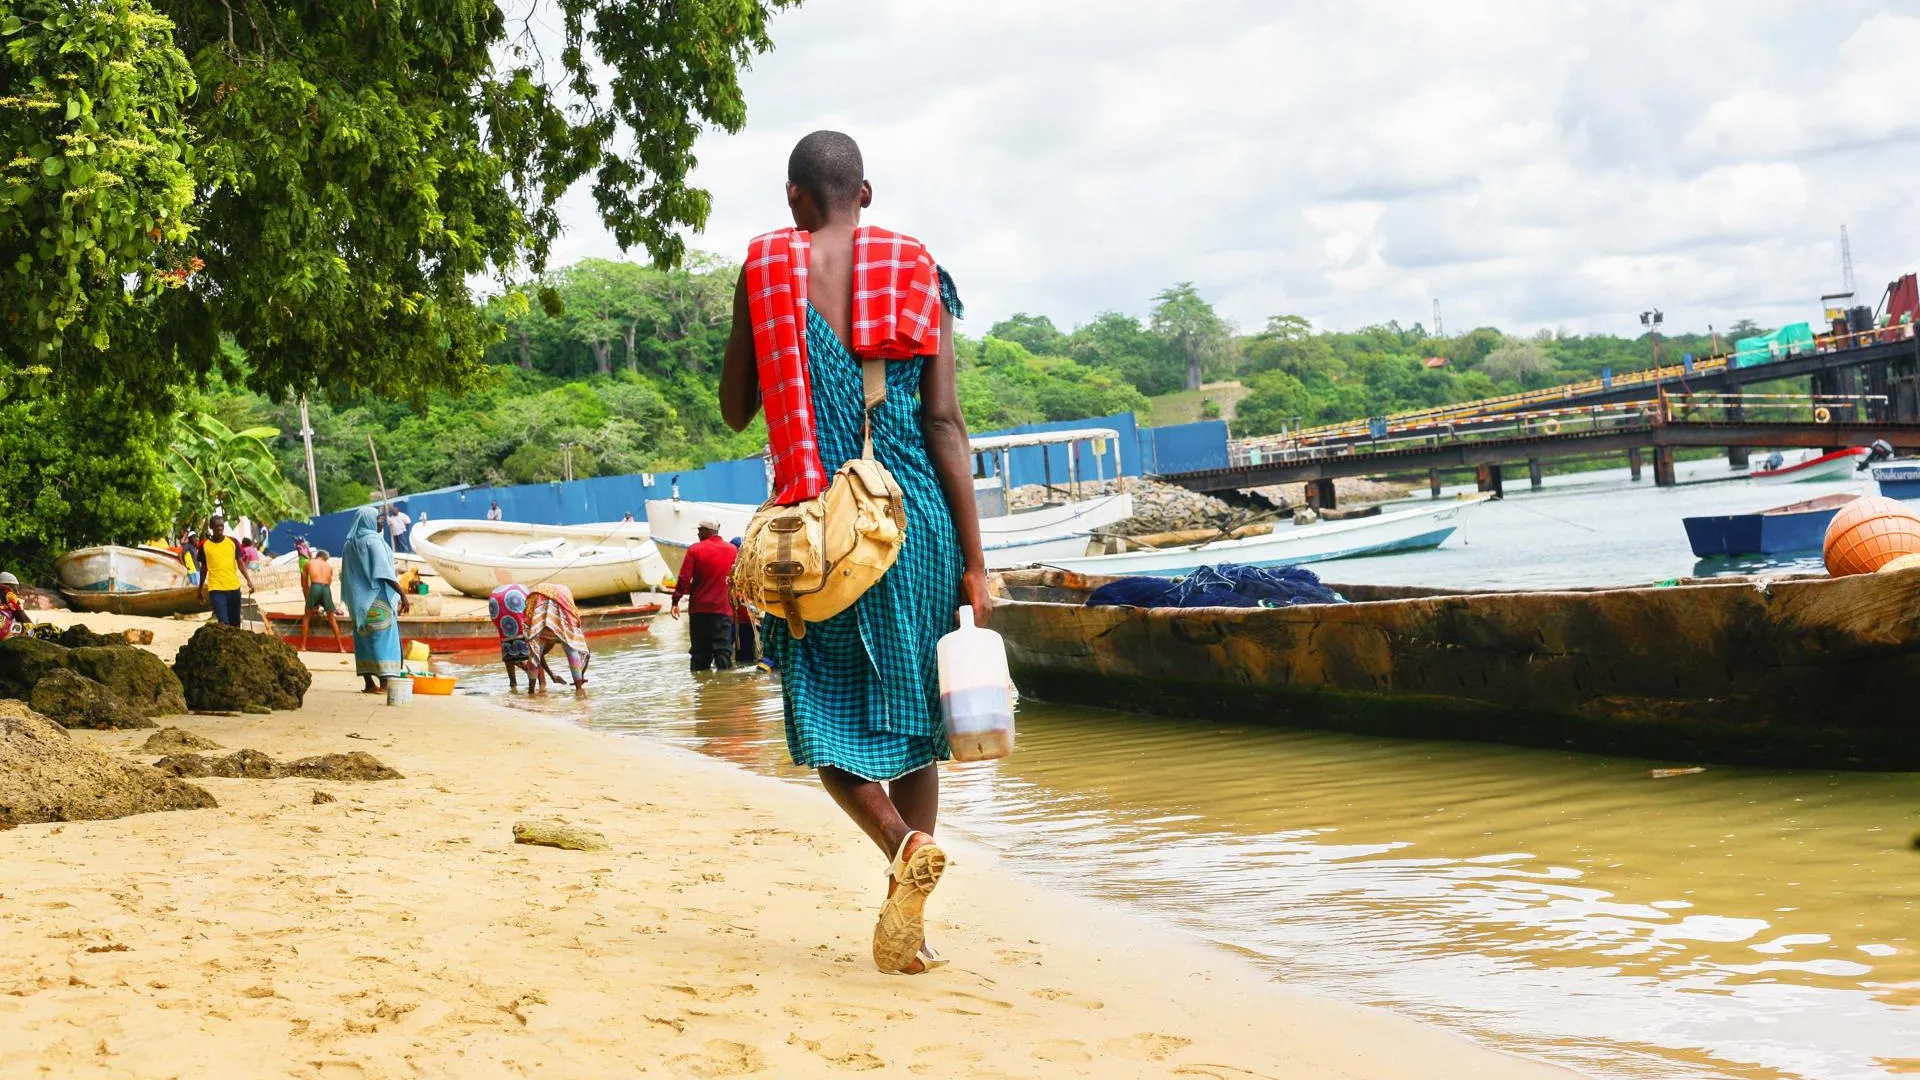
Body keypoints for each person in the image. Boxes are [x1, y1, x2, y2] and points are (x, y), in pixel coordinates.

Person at [717, 131, 989, 975]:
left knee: (825, 723)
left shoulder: (767, 271)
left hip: (824, 532)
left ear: (794, 198)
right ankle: (914, 910)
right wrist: (976, 563)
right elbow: (944, 422)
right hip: (917, 525)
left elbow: (735, 409)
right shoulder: (919, 271)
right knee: (918, 730)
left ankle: (901, 848)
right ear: (862, 194)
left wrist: (761, 321)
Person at [341, 506, 405, 693]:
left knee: (364, 639)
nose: (381, 521)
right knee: (383, 638)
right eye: (377, 518)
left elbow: (345, 575)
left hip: (358, 603)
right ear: (368, 521)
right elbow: (384, 572)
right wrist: (402, 595)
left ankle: (369, 683)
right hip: (377, 598)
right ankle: (384, 684)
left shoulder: (349, 543)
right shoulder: (372, 541)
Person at [669, 519, 738, 672]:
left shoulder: (695, 550)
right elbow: (737, 577)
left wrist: (675, 601)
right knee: (723, 651)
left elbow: (684, 578)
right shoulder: (732, 550)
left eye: (700, 530)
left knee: (699, 653)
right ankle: (726, 686)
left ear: (707, 531)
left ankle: (701, 691)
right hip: (722, 609)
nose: (698, 533)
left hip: (699, 610)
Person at [525, 582, 590, 688]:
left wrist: (551, 675)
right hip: (560, 605)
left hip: (541, 605)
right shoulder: (565, 634)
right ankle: (579, 689)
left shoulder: (544, 637)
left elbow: (537, 655)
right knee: (572, 650)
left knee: (536, 652)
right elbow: (585, 652)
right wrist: (580, 676)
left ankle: (531, 691)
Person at [198, 515, 255, 627]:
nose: (219, 528)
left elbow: (240, 563)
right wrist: (199, 590)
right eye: (216, 526)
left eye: (221, 526)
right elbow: (203, 569)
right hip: (216, 590)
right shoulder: (205, 546)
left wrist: (249, 580)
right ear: (211, 527)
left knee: (235, 624)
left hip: (234, 589)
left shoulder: (233, 542)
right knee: (223, 623)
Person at [488, 583, 542, 691]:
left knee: (507, 644)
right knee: (535, 655)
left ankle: (513, 685)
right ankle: (541, 686)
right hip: (516, 606)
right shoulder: (534, 598)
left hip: (497, 606)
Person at [297, 550, 349, 654]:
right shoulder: (329, 567)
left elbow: (304, 585)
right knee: (331, 618)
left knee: (307, 617)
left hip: (315, 587)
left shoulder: (308, 563)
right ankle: (341, 648)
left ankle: (303, 646)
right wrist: (320, 602)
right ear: (324, 558)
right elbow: (328, 583)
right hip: (326, 589)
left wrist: (308, 599)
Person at [728, 537, 758, 668]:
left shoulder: (743, 569)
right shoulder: (746, 567)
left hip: (743, 619)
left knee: (742, 656)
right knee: (745, 656)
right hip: (740, 619)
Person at [0, 572, 31, 640]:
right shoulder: (9, 594)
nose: (17, 592)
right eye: (14, 588)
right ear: (6, 586)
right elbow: (23, 618)